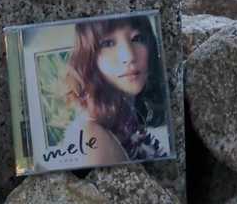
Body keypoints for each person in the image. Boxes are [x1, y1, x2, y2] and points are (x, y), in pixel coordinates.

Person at [59, 14, 170, 165]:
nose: (129, 56)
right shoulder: (91, 136)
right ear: (89, 59)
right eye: (108, 43)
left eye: (137, 38)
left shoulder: (128, 116)